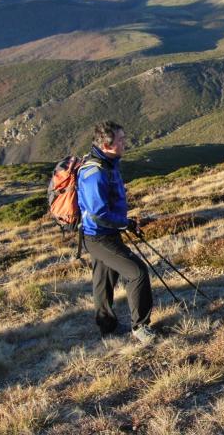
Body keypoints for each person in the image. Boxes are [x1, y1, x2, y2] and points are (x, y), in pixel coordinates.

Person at [78, 121, 156, 344]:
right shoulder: (96, 173)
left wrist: (123, 222)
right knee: (137, 272)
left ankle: (107, 328)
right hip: (99, 236)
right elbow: (97, 213)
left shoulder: (107, 163)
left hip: (103, 233)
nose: (125, 143)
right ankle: (140, 327)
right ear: (106, 144)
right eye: (121, 140)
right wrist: (123, 223)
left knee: (103, 279)